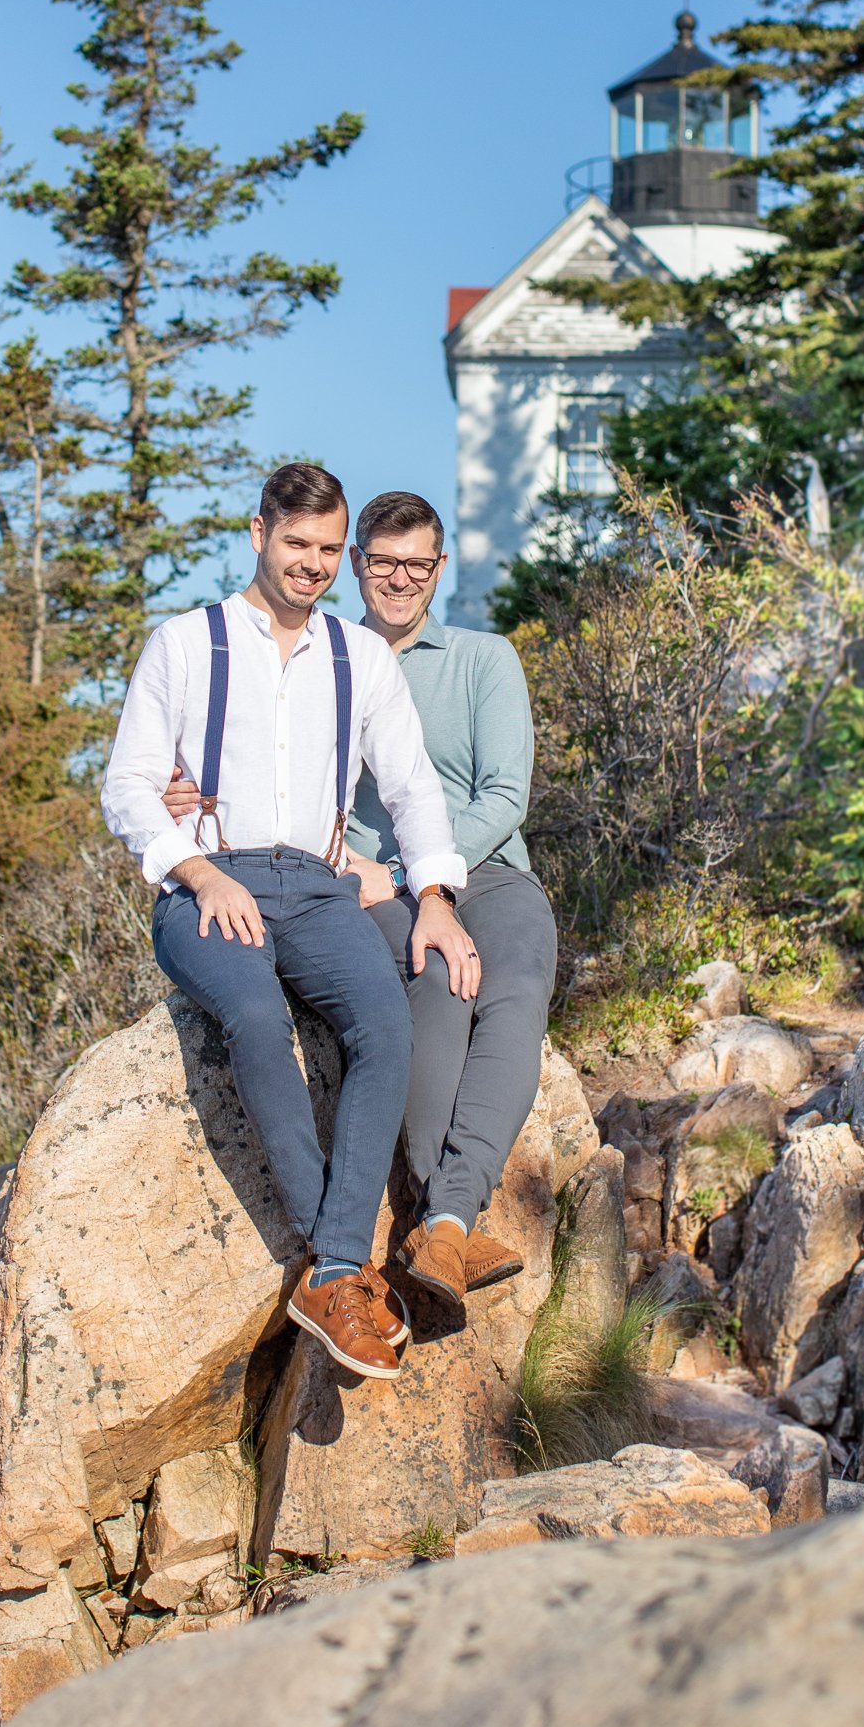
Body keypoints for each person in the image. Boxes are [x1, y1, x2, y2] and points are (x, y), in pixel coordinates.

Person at [100, 461, 479, 1382]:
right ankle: (341, 1264)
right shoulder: (186, 645)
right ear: (260, 533)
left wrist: (434, 895)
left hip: (317, 888)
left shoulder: (361, 658)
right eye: (294, 544)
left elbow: (413, 788)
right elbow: (127, 784)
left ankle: (330, 1270)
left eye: (323, 550)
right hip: (207, 884)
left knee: (385, 1026)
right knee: (257, 1019)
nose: (310, 565)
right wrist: (196, 871)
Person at [167, 486, 557, 1317]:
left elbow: (504, 794)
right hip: (363, 878)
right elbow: (255, 762)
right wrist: (187, 793)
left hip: (485, 870)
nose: (400, 579)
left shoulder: (484, 659)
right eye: (382, 561)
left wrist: (431, 878)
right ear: (356, 564)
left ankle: (451, 1221)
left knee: (515, 991)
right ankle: (427, 1203)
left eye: (418, 564)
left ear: (440, 567)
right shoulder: (324, 654)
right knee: (437, 993)